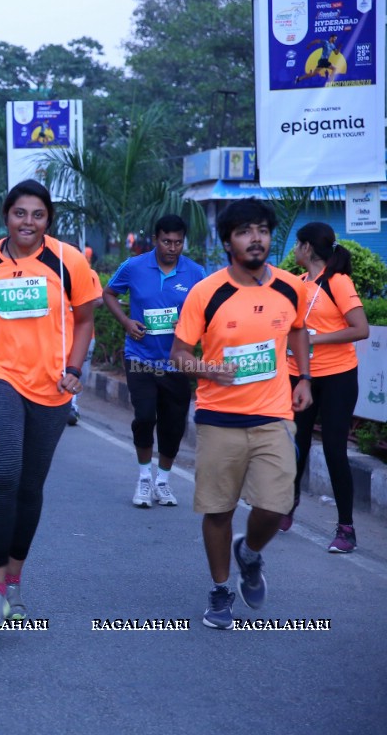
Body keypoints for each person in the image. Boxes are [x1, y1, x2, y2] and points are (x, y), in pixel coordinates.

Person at [0, 179, 101, 622]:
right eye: (20, 213)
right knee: (3, 474)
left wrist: (74, 371)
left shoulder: (67, 260)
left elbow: (84, 320)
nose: (29, 222)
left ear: (48, 220)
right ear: (6, 216)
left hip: (52, 386)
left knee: (30, 486)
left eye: (38, 215)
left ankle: (15, 580)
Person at [170, 199, 312, 630]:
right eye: (245, 231)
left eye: (263, 230)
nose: (256, 238)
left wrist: (303, 377)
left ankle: (249, 552)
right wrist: (209, 369)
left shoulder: (291, 287)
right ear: (229, 241)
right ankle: (219, 588)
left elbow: (298, 330)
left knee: (276, 504)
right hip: (219, 417)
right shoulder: (206, 292)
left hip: (273, 415)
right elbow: (179, 356)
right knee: (219, 509)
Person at [102, 214, 206, 508]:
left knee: (173, 425)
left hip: (177, 362)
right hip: (140, 358)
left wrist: (189, 329)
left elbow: (208, 310)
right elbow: (108, 293)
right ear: (155, 239)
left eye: (178, 242)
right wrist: (125, 321)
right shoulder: (134, 266)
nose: (172, 248)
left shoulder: (196, 273)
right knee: (145, 416)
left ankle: (163, 481)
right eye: (166, 241)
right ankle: (144, 478)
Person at [284, 222, 369, 550]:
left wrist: (319, 338)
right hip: (298, 373)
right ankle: (287, 505)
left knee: (334, 449)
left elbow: (360, 329)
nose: (294, 250)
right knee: (296, 444)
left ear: (307, 248)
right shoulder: (297, 282)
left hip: (337, 376)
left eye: (297, 244)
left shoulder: (339, 282)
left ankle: (345, 528)